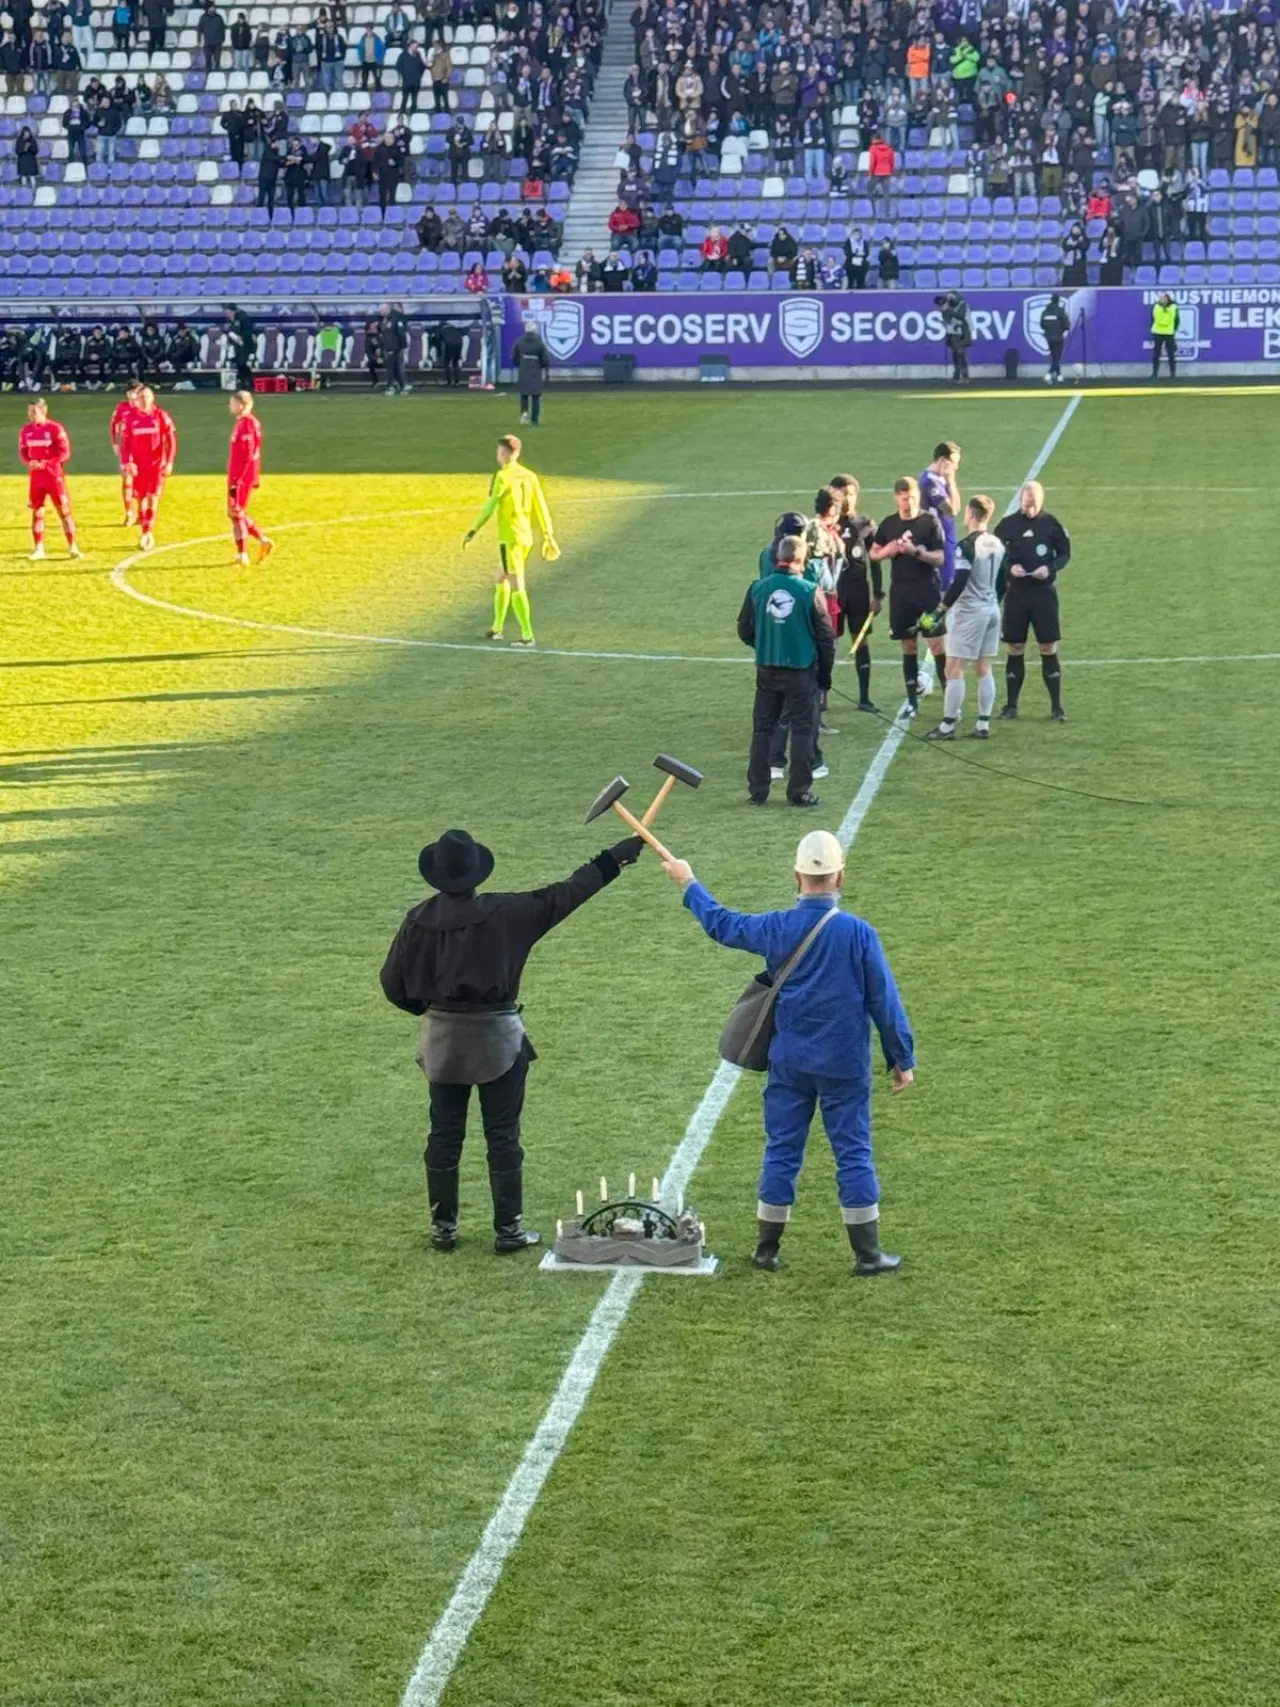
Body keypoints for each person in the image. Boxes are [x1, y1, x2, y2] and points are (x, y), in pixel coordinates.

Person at [379, 826, 645, 1253]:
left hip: (442, 1040)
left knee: (443, 1133)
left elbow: (392, 984)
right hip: (497, 1039)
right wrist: (613, 859)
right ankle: (509, 1230)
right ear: (476, 872)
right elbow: (564, 895)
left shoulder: (417, 919)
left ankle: (443, 1227)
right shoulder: (505, 912)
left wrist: (430, 1013)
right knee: (502, 1135)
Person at [659, 830, 914, 1274]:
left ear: (797, 877)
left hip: (790, 1061)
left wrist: (689, 882)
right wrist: (901, 1058)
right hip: (844, 1065)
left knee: (782, 1150)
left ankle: (767, 1250)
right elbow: (884, 1002)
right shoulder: (858, 934)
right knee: (853, 1153)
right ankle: (868, 1254)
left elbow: (722, 924)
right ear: (840, 877)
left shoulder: (777, 927)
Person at [738, 534, 834, 809]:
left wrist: (764, 643)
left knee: (762, 730)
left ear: (778, 558)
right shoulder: (809, 590)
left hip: (767, 669)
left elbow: (744, 629)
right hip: (801, 671)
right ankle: (799, 791)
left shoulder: (758, 588)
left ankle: (758, 790)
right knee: (803, 730)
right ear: (801, 560)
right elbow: (826, 638)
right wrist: (824, 676)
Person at [464, 434, 559, 648]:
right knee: (500, 576)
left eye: (500, 452)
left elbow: (490, 506)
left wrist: (473, 530)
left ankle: (528, 635)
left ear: (505, 454)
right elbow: (541, 506)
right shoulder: (530, 476)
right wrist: (548, 533)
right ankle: (497, 628)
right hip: (525, 536)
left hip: (510, 538)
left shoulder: (503, 476)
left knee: (516, 584)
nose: (498, 455)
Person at [924, 494, 1004, 742]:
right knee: (983, 666)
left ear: (970, 514)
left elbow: (960, 581)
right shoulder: (997, 543)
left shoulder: (967, 546)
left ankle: (947, 726)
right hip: (992, 609)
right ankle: (983, 723)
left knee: (953, 667)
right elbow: (1002, 581)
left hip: (970, 612)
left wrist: (940, 610)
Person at [994, 479, 1071, 722]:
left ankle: (1056, 707)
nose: (1030, 508)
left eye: (1034, 504)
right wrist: (1010, 568)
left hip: (1043, 595)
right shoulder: (1007, 525)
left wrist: (1050, 568)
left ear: (1041, 501)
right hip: (1016, 594)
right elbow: (996, 555)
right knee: (1015, 647)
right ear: (1020, 500)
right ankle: (1011, 706)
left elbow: (1065, 553)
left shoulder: (1052, 524)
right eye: (1027, 503)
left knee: (1047, 647)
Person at [870, 476, 945, 719]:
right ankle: (912, 702)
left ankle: (949, 700)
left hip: (927, 591)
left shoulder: (929, 522)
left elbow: (940, 557)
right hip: (901, 593)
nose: (908, 502)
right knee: (908, 644)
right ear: (897, 498)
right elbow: (874, 553)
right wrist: (888, 550)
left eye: (912, 497)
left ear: (918, 496)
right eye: (904, 498)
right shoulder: (889, 524)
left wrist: (916, 552)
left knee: (936, 643)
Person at [829, 473, 880, 712]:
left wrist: (877, 594)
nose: (847, 499)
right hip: (833, 593)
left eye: (850, 494)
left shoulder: (865, 524)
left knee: (861, 641)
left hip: (858, 591)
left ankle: (864, 698)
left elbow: (875, 560)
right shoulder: (826, 526)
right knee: (828, 642)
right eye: (842, 495)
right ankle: (822, 698)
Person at [20, 399, 81, 561]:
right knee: (37, 512)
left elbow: (64, 453)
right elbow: (23, 451)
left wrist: (45, 463)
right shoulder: (26, 430)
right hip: (36, 478)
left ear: (43, 411)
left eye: (34, 412)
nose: (30, 415)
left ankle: (73, 547)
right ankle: (39, 549)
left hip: (54, 477)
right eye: (29, 412)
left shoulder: (55, 429)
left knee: (64, 512)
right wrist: (29, 462)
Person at [120, 384, 175, 552]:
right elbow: (125, 443)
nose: (144, 400)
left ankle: (147, 532)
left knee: (152, 497)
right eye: (141, 397)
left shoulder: (160, 416)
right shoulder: (130, 418)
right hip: (138, 466)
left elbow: (171, 440)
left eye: (147, 397)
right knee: (141, 498)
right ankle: (145, 529)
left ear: (153, 398)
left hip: (156, 465)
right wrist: (128, 462)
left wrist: (169, 461)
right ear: (136, 399)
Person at [227, 389, 272, 567]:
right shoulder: (247, 423)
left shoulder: (247, 425)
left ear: (241, 405)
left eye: (232, 403)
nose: (229, 406)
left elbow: (248, 454)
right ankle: (262, 541)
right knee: (236, 512)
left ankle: (243, 553)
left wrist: (238, 480)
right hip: (241, 476)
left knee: (236, 512)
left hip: (240, 477)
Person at [109, 380, 143, 524]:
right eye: (131, 392)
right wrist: (115, 443)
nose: (133, 395)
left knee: (141, 482)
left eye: (136, 392)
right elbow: (113, 425)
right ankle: (129, 513)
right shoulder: (122, 408)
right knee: (127, 481)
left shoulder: (144, 407)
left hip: (142, 448)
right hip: (126, 449)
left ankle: (141, 513)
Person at [511, 323, 549, 426]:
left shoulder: (519, 341)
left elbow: (514, 357)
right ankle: (535, 419)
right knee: (536, 396)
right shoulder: (539, 343)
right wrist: (540, 365)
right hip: (535, 371)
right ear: (535, 330)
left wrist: (521, 363)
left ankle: (524, 414)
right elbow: (545, 360)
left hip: (523, 370)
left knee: (524, 395)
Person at [939, 290, 972, 383]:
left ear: (956, 296)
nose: (949, 299)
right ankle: (956, 376)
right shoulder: (949, 306)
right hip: (952, 332)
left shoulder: (963, 304)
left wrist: (948, 310)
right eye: (948, 297)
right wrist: (944, 311)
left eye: (951, 297)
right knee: (955, 355)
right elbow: (947, 318)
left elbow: (961, 315)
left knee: (961, 355)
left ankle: (965, 376)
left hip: (962, 332)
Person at [1040, 292, 1070, 383]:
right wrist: (1061, 330)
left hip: (1049, 338)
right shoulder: (1060, 311)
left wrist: (1049, 330)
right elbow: (1067, 325)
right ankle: (1049, 374)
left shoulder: (1045, 311)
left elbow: (1042, 324)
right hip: (1058, 337)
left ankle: (1059, 375)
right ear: (1058, 301)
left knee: (1054, 356)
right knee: (1057, 357)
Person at [380, 300, 409, 394]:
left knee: (393, 368)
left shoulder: (396, 317)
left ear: (387, 309)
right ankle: (401, 386)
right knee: (393, 368)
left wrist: (402, 347)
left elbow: (401, 333)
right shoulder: (386, 319)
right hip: (388, 347)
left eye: (382, 310)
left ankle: (392, 387)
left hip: (395, 347)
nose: (381, 312)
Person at [225, 304, 255, 389]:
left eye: (228, 312)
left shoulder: (243, 317)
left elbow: (249, 331)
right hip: (237, 346)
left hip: (246, 345)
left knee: (242, 363)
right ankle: (245, 382)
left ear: (233, 311)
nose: (227, 314)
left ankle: (248, 381)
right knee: (239, 363)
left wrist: (240, 337)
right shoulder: (233, 319)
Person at [1151, 292, 1179, 380]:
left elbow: (1177, 320)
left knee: (1171, 354)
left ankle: (1173, 373)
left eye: (1165, 298)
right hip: (1158, 333)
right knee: (1156, 354)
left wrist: (1173, 330)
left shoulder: (1173, 307)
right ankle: (1155, 373)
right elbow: (1153, 318)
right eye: (1162, 298)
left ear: (1169, 299)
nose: (1163, 300)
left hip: (1169, 333)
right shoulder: (1156, 307)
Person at [436, 320, 464, 388]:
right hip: (459, 344)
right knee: (455, 363)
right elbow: (460, 337)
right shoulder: (453, 328)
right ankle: (457, 382)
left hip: (449, 345)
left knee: (446, 363)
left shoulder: (441, 329)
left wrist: (439, 355)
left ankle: (449, 381)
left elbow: (438, 340)